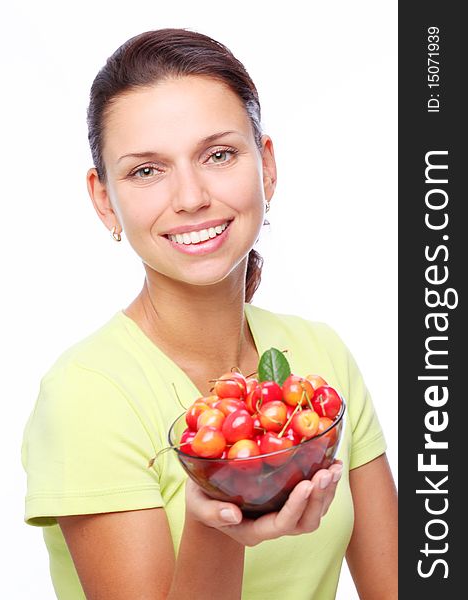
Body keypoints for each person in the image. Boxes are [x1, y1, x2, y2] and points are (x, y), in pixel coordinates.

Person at [21, 28, 397, 600]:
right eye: (147, 170)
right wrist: (217, 520)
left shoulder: (321, 362)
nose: (191, 196)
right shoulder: (87, 393)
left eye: (218, 154)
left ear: (266, 166)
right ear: (104, 200)